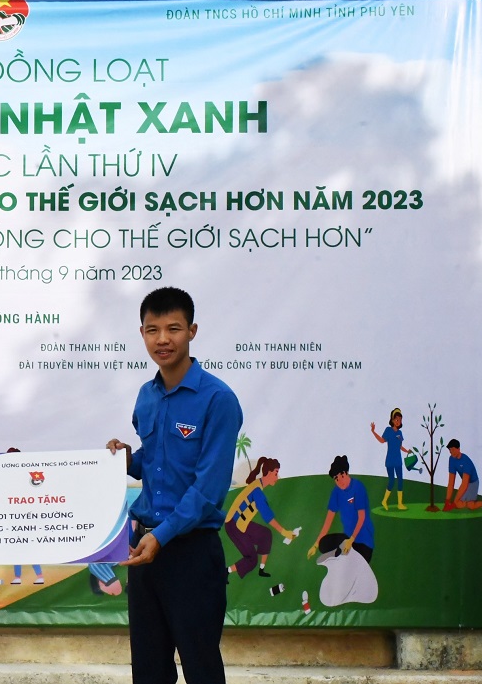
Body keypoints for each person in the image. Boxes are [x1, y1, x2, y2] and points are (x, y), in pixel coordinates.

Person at [106, 286, 243, 684]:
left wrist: (161, 536)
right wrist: (125, 460)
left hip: (190, 553)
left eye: (173, 328)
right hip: (145, 552)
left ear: (192, 331)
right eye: (152, 330)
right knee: (148, 670)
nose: (162, 339)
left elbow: (208, 489)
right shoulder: (146, 396)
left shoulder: (218, 399)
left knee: (201, 668)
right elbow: (155, 462)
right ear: (142, 334)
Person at [225, 456, 295, 580]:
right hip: (233, 525)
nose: (277, 477)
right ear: (268, 472)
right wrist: (285, 532)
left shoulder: (257, 485)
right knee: (252, 559)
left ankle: (262, 570)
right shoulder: (257, 491)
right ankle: (224, 572)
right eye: (275, 473)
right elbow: (268, 516)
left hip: (241, 523)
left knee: (265, 534)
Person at [307, 455, 374, 564]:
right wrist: (315, 545)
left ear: (346, 473)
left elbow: (361, 517)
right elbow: (328, 521)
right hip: (346, 539)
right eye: (336, 479)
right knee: (323, 544)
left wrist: (352, 539)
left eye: (342, 476)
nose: (340, 481)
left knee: (356, 564)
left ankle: (343, 556)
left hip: (363, 542)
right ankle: (340, 554)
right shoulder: (336, 492)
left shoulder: (358, 487)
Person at [370, 408, 412, 510]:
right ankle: (384, 501)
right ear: (392, 420)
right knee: (392, 481)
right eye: (396, 419)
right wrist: (373, 431)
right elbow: (382, 440)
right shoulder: (388, 430)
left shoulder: (400, 433)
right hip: (390, 460)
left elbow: (400, 446)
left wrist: (407, 451)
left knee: (400, 481)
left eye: (400, 420)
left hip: (398, 460)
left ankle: (400, 504)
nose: (398, 421)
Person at [444, 439, 482, 511]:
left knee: (470, 506)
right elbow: (451, 482)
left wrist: (455, 502)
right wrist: (447, 501)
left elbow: (465, 484)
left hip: (473, 483)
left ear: (458, 449)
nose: (451, 452)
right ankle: (466, 501)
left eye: (453, 449)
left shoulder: (465, 461)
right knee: (458, 504)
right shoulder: (451, 459)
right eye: (450, 450)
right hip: (466, 483)